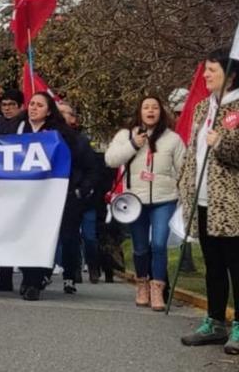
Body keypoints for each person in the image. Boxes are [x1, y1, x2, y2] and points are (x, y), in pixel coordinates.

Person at [178, 49, 239, 353]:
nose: (205, 76)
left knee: (235, 264)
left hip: (232, 203)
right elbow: (193, 152)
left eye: (211, 70)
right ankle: (215, 321)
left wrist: (223, 143)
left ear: (230, 75)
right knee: (213, 264)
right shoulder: (204, 107)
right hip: (204, 201)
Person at [13, 92, 98, 301]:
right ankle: (29, 275)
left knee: (48, 237)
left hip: (55, 196)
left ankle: (37, 279)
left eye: (39, 105)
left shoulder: (64, 135)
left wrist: (81, 189)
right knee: (26, 236)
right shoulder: (16, 128)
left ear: (48, 111)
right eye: (31, 104)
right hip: (24, 196)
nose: (33, 108)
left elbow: (89, 166)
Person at [105, 95, 184, 311]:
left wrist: (183, 193)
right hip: (135, 201)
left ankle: (157, 288)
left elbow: (184, 169)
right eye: (146, 107)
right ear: (139, 111)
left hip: (164, 199)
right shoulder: (125, 134)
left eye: (155, 107)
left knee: (158, 245)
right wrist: (133, 144)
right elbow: (111, 159)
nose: (151, 111)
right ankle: (142, 285)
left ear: (161, 112)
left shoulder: (173, 139)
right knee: (140, 248)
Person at [59, 100, 103, 284]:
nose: (61, 116)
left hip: (84, 199)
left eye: (66, 113)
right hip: (61, 196)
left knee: (89, 236)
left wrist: (83, 189)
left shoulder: (81, 141)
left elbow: (92, 170)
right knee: (69, 237)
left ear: (74, 119)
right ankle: (73, 269)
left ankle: (93, 265)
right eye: (58, 112)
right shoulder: (48, 138)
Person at [0, 89, 26, 292]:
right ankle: (4, 276)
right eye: (4, 105)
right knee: (3, 231)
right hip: (0, 185)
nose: (8, 108)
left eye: (12, 104)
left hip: (21, 185)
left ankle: (29, 277)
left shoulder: (25, 124)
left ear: (21, 106)